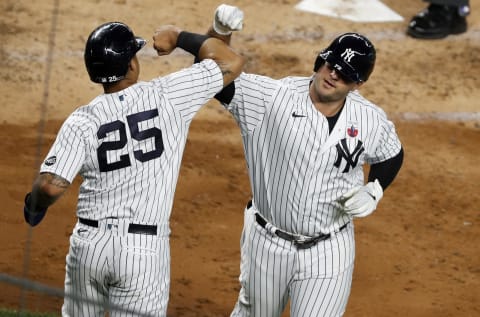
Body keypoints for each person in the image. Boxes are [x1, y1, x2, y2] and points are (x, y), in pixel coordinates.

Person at [22, 21, 244, 316]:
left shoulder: (82, 120)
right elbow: (229, 61)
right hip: (142, 251)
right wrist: (179, 37)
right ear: (130, 66)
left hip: (90, 244)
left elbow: (50, 185)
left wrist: (34, 206)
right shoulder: (168, 96)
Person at [203, 4, 404, 317]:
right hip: (266, 243)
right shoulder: (272, 97)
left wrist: (375, 188)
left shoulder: (369, 119)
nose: (333, 74)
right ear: (320, 60)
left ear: (357, 84)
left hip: (329, 249)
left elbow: (391, 154)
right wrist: (220, 32)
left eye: (344, 74)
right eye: (330, 64)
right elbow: (212, 74)